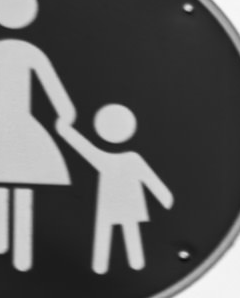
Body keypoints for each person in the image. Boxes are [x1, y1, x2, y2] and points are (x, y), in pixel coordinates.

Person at [0, 0, 73, 273]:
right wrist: (65, 114)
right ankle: (6, 250)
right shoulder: (19, 52)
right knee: (12, 183)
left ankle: (11, 250)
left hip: (6, 125)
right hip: (12, 125)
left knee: (12, 183)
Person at [74, 98, 178, 278]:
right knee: (115, 232)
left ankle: (115, 266)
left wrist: (164, 196)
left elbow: (149, 178)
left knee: (119, 233)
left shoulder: (121, 159)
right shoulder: (126, 158)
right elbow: (85, 149)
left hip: (120, 203)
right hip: (118, 204)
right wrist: (164, 197)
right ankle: (105, 267)